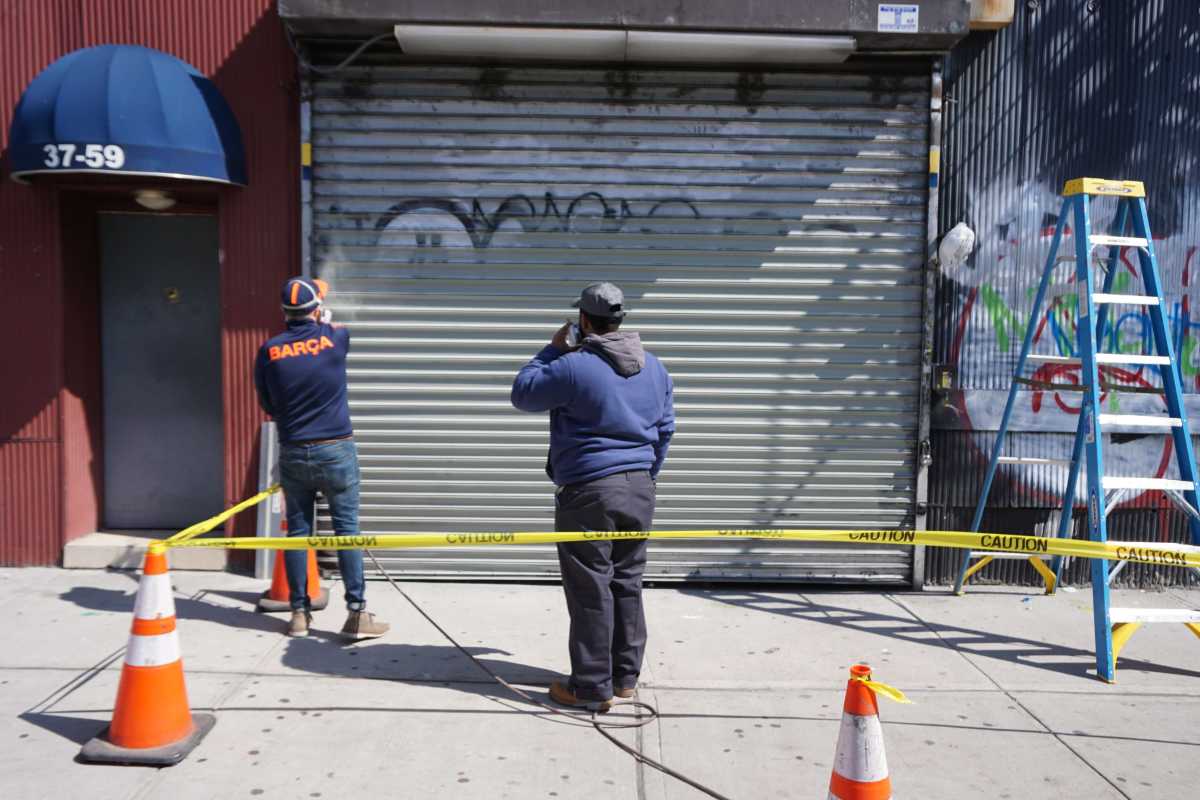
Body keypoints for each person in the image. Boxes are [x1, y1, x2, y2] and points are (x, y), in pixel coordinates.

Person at [511, 282, 675, 711]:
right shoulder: (655, 367)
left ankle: (589, 686)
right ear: (620, 320)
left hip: (588, 491)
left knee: (590, 588)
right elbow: (666, 428)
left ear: (583, 321)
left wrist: (550, 349)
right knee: (627, 582)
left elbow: (523, 392)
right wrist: (645, 475)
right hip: (639, 488)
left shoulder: (572, 366)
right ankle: (624, 678)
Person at [254, 276, 389, 640]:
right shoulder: (335, 339)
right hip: (336, 449)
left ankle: (299, 614)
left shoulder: (269, 351)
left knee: (298, 533)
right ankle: (357, 614)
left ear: (283, 312)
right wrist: (324, 320)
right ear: (316, 309)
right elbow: (336, 330)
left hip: (295, 449)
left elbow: (267, 404)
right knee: (347, 531)